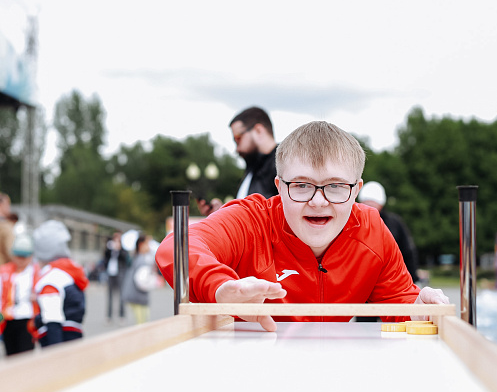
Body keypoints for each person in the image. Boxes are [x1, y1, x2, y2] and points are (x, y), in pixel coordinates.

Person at [156, 121, 449, 332]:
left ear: (356, 190)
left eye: (335, 186)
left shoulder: (371, 229)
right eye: (301, 185)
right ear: (279, 187)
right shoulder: (251, 220)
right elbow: (176, 246)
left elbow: (399, 303)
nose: (318, 201)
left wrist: (418, 308)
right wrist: (219, 286)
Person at [197, 106, 278, 215]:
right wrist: (221, 213)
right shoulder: (253, 168)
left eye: (238, 138)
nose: (237, 148)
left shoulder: (284, 165)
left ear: (258, 130)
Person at [32, 220, 89, 347]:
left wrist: (55, 357)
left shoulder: (50, 280)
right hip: (73, 339)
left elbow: (53, 322)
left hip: (58, 343)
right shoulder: (69, 272)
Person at [358, 181, 420, 283]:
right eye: (367, 203)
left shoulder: (394, 223)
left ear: (381, 204)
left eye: (373, 203)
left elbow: (408, 251)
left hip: (389, 278)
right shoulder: (353, 222)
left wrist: (413, 279)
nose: (370, 208)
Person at [0, 233, 40, 356]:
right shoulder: (4, 271)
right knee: (11, 355)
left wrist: (36, 297)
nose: (21, 260)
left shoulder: (37, 272)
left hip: (27, 320)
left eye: (24, 257)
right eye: (18, 256)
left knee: (25, 355)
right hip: (8, 319)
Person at [122, 234, 164, 325]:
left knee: (140, 323)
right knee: (142, 324)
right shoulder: (142, 260)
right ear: (141, 245)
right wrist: (155, 282)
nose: (149, 246)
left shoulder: (137, 257)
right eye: (147, 243)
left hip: (134, 296)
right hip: (138, 297)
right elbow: (142, 281)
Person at [104, 231, 129, 323]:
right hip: (110, 273)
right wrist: (110, 249)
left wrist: (119, 249)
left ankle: (121, 315)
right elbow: (105, 258)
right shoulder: (110, 249)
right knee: (109, 295)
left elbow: (126, 259)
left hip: (120, 273)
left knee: (121, 295)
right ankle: (109, 316)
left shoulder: (123, 250)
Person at [0, 193, 15, 265]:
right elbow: (11, 252)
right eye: (8, 204)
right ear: (1, 205)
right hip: (3, 271)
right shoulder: (6, 227)